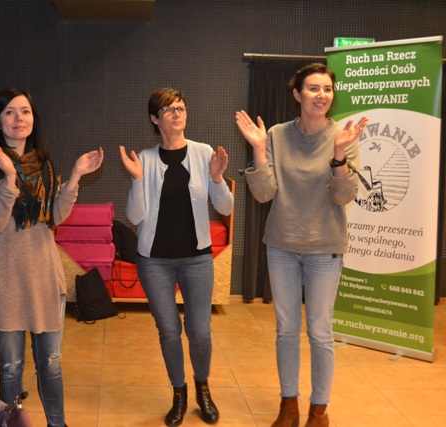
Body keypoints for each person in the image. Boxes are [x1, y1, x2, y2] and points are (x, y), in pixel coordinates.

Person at [235, 63, 368, 427]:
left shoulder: (342, 136)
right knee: (286, 330)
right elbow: (264, 193)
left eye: (327, 89)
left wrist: (339, 157)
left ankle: (319, 410)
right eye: (313, 88)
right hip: (282, 246)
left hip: (325, 248)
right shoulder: (277, 135)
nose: (321, 95)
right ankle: (289, 405)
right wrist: (259, 150)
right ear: (297, 94)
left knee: (320, 333)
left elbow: (344, 196)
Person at [0, 88, 103, 427]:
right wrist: (10, 178)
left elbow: (55, 216)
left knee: (51, 365)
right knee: (11, 368)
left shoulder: (44, 164)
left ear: (34, 118)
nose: (19, 118)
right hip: (4, 283)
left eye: (25, 111)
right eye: (10, 112)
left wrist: (74, 177)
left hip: (44, 278)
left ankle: (58, 424)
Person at [119, 88, 233, 426]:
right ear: (155, 119)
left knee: (199, 331)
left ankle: (202, 388)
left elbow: (225, 207)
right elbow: (135, 217)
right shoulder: (145, 159)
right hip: (154, 261)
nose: (177, 114)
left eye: (181, 108)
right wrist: (137, 180)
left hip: (196, 259)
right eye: (169, 110)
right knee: (169, 330)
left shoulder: (203, 153)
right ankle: (179, 392)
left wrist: (217, 179)